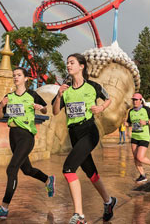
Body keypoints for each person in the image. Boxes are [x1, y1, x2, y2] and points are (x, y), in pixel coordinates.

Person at [52, 53, 116, 223]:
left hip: (89, 131)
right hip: (74, 134)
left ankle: (79, 215)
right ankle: (109, 201)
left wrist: (101, 107)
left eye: (71, 62)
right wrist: (58, 95)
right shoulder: (65, 90)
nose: (68, 65)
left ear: (81, 66)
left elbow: (109, 98)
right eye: (67, 63)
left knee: (68, 168)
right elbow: (55, 111)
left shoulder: (93, 86)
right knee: (90, 172)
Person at [0, 67, 55, 219]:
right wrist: (2, 105)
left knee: (12, 169)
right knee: (27, 169)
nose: (16, 77)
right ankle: (48, 180)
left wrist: (40, 108)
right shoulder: (9, 96)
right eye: (14, 75)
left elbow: (44, 110)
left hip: (26, 137)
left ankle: (4, 208)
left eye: (19, 75)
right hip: (13, 136)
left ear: (26, 79)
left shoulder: (32, 95)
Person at [126, 93, 150, 182]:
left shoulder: (146, 109)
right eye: (133, 100)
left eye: (136, 100)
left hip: (144, 136)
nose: (135, 101)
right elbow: (129, 123)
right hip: (135, 136)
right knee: (135, 157)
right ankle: (142, 175)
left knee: (140, 157)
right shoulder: (131, 111)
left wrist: (146, 122)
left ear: (141, 100)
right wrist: (127, 124)